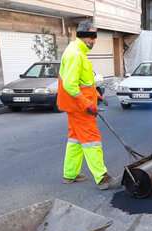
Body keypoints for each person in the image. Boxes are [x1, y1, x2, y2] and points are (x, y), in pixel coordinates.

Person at [57, 20, 112, 190]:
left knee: (75, 140)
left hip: (76, 106)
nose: (94, 40)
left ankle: (70, 174)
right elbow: (70, 85)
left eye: (95, 37)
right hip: (80, 108)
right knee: (91, 139)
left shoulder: (78, 52)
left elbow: (83, 82)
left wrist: (96, 95)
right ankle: (101, 177)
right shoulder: (75, 54)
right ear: (82, 34)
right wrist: (87, 103)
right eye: (91, 36)